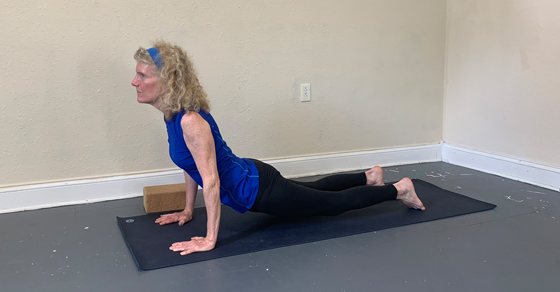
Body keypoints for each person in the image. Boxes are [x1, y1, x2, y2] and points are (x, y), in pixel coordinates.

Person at [131, 40, 425, 256]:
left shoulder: (190, 121)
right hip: (255, 176)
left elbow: (211, 181)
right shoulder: (173, 114)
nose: (135, 81)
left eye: (143, 75)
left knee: (331, 206)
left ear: (168, 81)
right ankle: (369, 177)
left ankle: (399, 189)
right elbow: (191, 165)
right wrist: (186, 209)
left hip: (261, 191)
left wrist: (209, 239)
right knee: (318, 190)